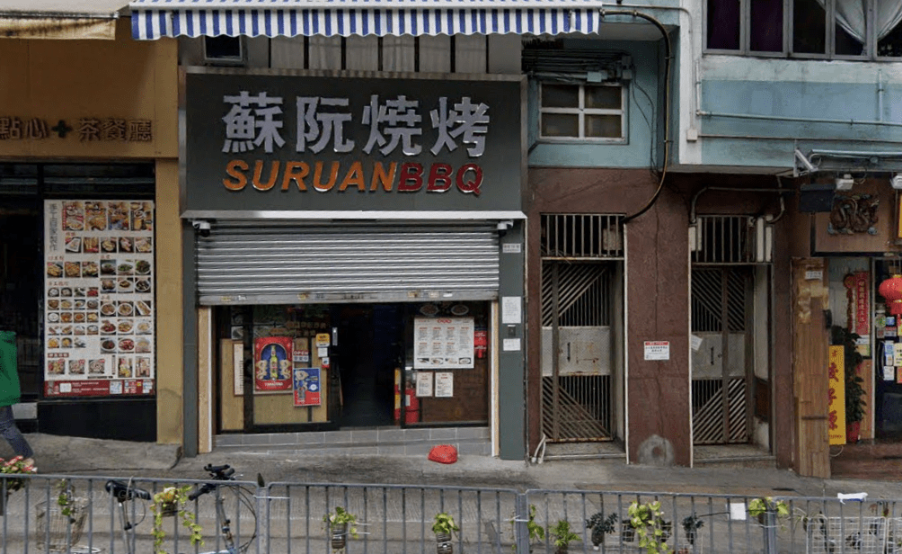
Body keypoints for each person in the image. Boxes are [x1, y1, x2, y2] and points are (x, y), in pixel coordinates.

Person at [0, 331, 33, 466]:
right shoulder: (4, 341)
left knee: (7, 427)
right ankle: (26, 457)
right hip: (3, 391)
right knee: (7, 427)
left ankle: (26, 457)